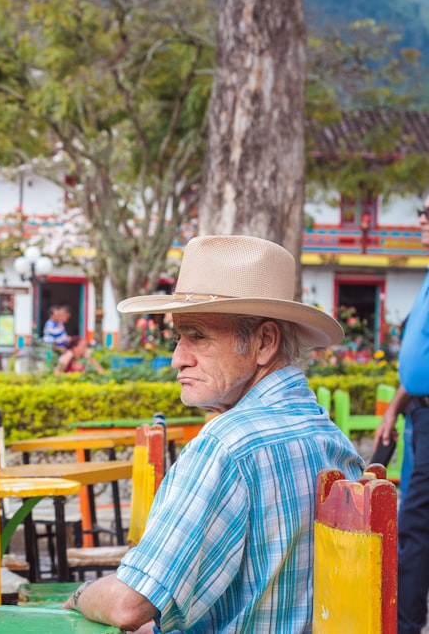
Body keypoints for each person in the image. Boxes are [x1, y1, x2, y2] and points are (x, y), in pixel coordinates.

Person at [67, 235, 363, 633]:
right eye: (178, 337)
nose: (177, 358)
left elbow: (129, 604)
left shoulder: (226, 446)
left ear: (264, 342)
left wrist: (79, 596)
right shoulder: (329, 436)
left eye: (198, 336)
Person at [375, 195, 429, 634]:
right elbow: (418, 362)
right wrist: (394, 406)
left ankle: (407, 626)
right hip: (419, 417)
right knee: (413, 518)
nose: (423, 221)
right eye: (422, 213)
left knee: (413, 523)